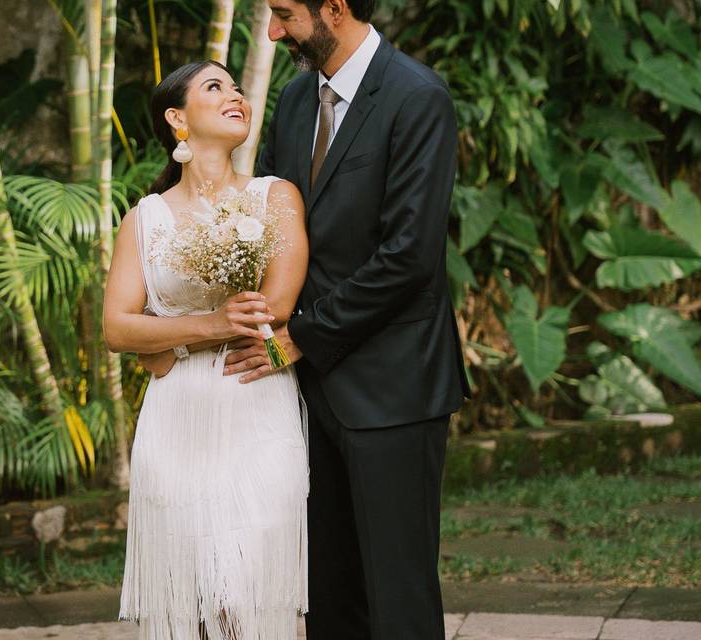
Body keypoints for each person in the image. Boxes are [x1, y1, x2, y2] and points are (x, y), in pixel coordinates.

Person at [221, 0, 473, 637]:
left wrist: (301, 336)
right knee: (326, 596)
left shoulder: (418, 97)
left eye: (283, 14)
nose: (274, 32)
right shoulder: (297, 99)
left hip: (394, 387)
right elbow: (279, 230)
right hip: (306, 395)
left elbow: (409, 257)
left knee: (397, 594)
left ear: (334, 7)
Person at [103, 60, 310, 639]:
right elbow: (118, 329)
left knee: (248, 592)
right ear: (178, 119)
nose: (236, 96)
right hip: (177, 420)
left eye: (237, 87)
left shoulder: (276, 197)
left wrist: (170, 336)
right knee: (188, 597)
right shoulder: (144, 220)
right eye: (214, 87)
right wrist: (207, 324)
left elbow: (273, 309)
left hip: (255, 399)